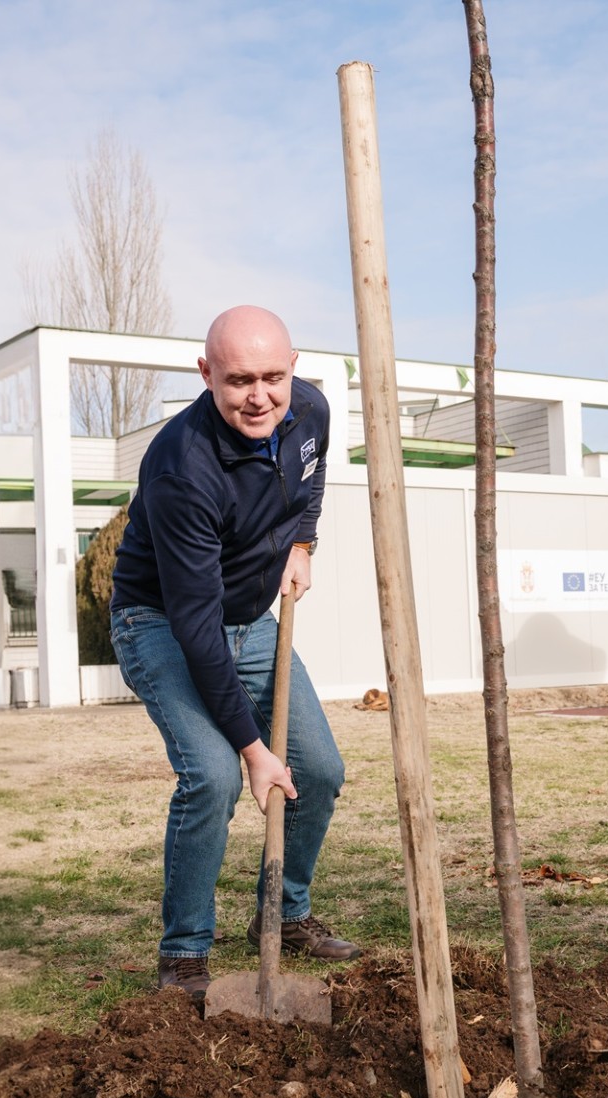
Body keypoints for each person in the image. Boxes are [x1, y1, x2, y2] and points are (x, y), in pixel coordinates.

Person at [110, 305, 358, 1005]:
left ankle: (285, 911)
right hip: (162, 621)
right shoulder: (182, 468)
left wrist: (303, 543)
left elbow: (310, 481)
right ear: (206, 374)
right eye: (240, 380)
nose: (260, 396)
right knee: (214, 775)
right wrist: (254, 752)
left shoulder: (308, 409)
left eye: (273, 377)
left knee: (320, 768)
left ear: (294, 368)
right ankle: (185, 953)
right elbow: (195, 628)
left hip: (251, 617)